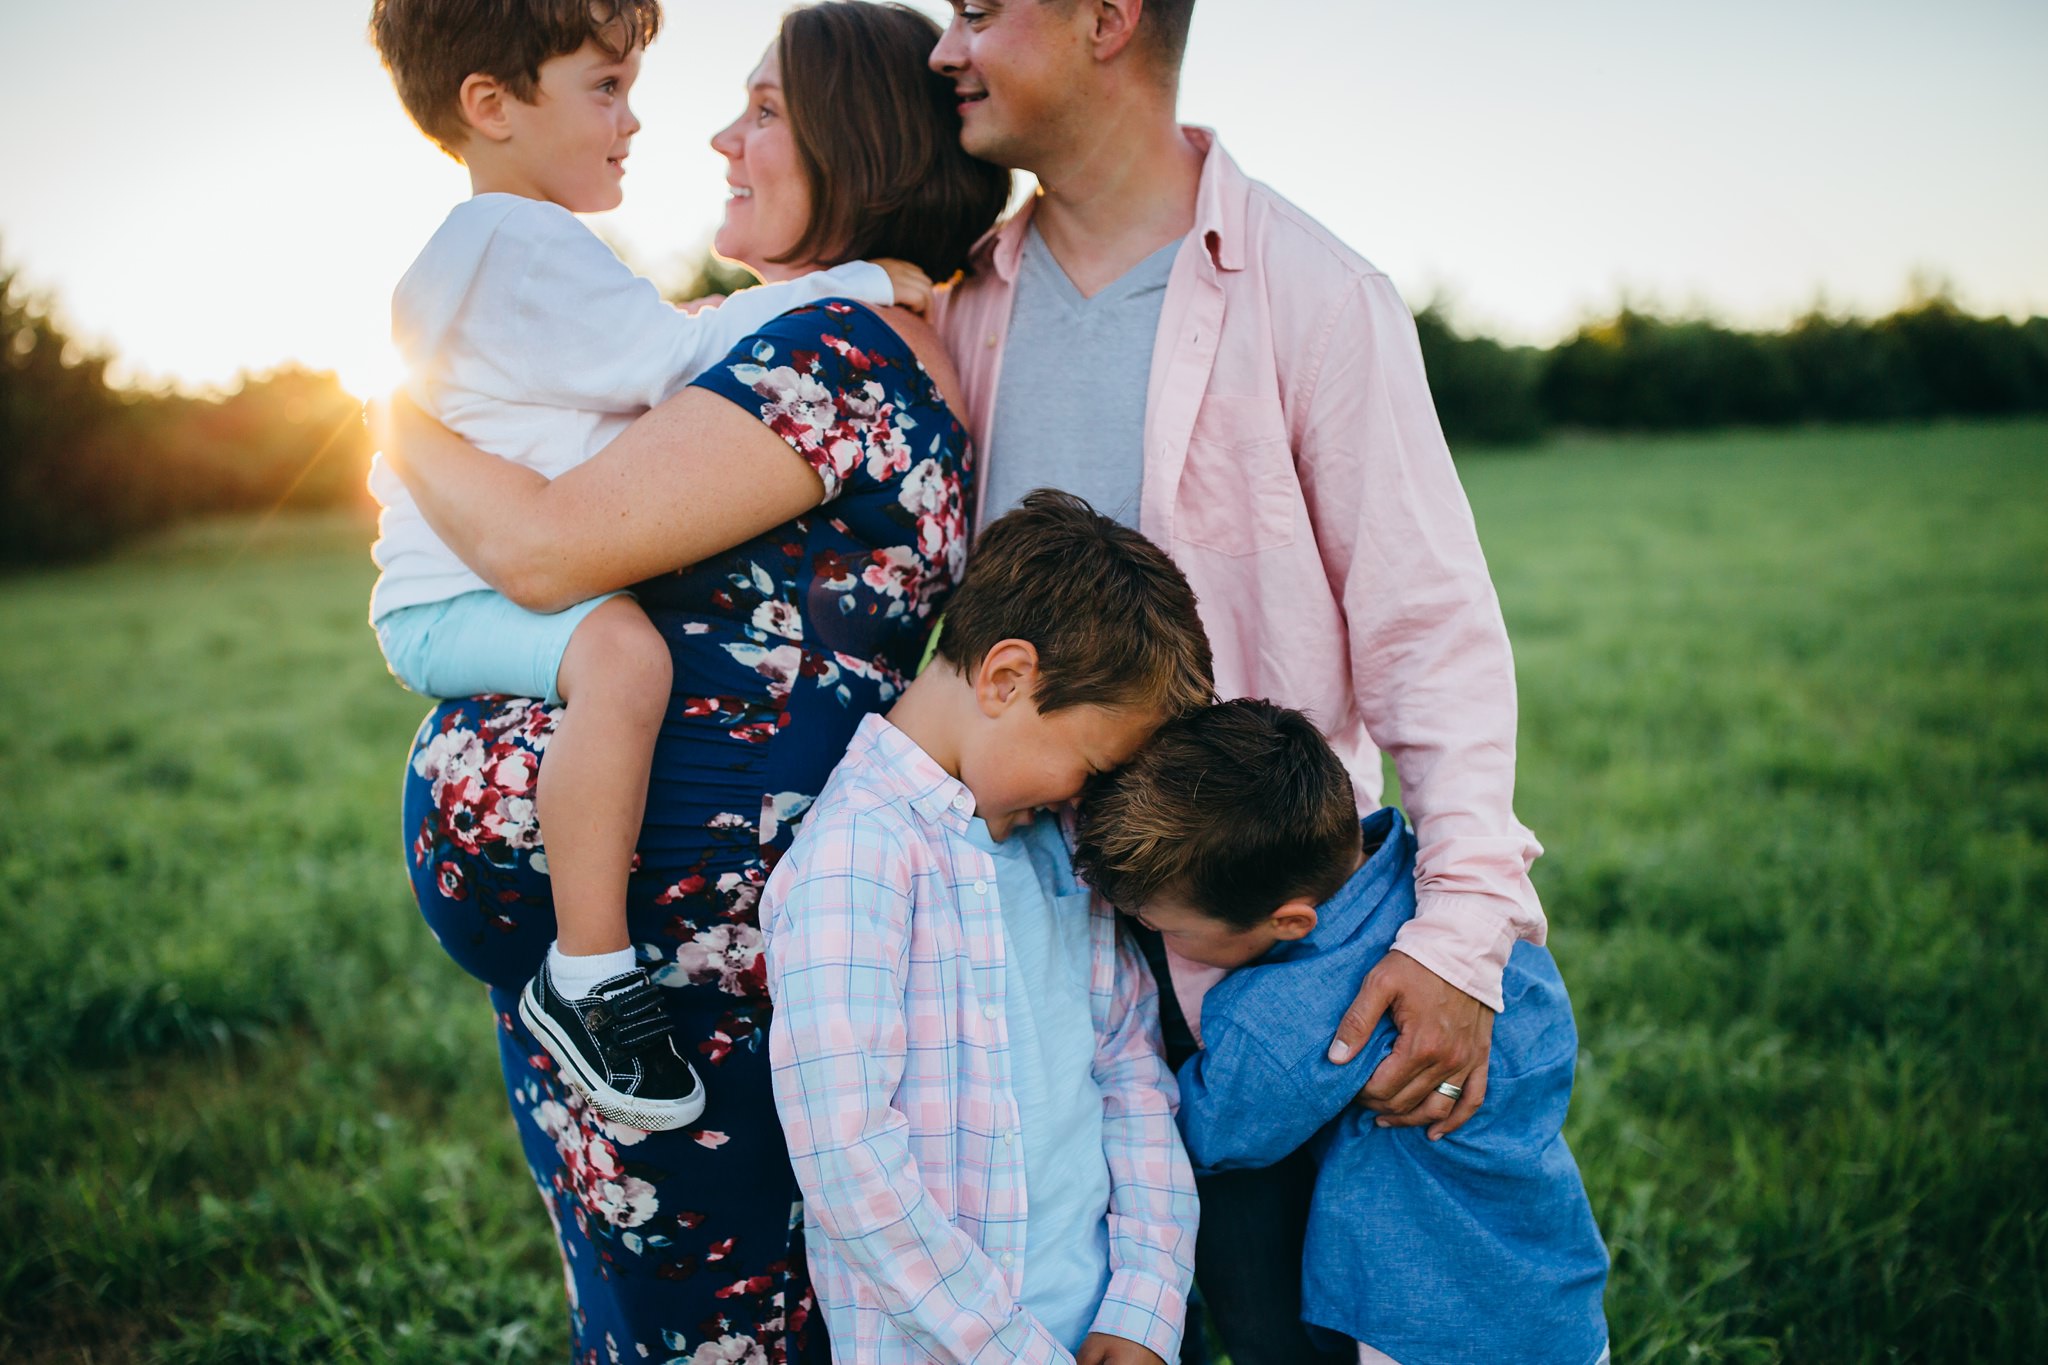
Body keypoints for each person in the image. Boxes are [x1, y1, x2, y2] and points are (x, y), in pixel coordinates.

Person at [379, 3, 1011, 1357]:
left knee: (716, 1326)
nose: (721, 134)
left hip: (686, 968)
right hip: (651, 965)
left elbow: (546, 547)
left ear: (864, 141)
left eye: (767, 108)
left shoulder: (833, 356)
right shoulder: (810, 334)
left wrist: (387, 418)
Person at [925, 5, 1546, 1357]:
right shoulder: (952, 299)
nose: (944, 48)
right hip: (1017, 932)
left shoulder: (1315, 294)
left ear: (1106, 17)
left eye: (979, 9)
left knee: (1271, 1324)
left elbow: (1431, 636)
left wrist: (1459, 934)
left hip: (1249, 949)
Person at [763, 491, 1208, 1365]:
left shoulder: (1057, 849)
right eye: (1090, 766)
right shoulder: (859, 856)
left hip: (1100, 1329)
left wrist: (1146, 1302)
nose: (1088, 798)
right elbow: (848, 1158)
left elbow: (1130, 1065)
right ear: (1007, 678)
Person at [1073, 700, 1610, 1365]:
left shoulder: (1271, 1025)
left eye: (1172, 929)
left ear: (1291, 922)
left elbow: (1210, 1133)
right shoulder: (1435, 898)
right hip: (1553, 1285)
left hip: (1424, 1322)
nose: (1159, 939)